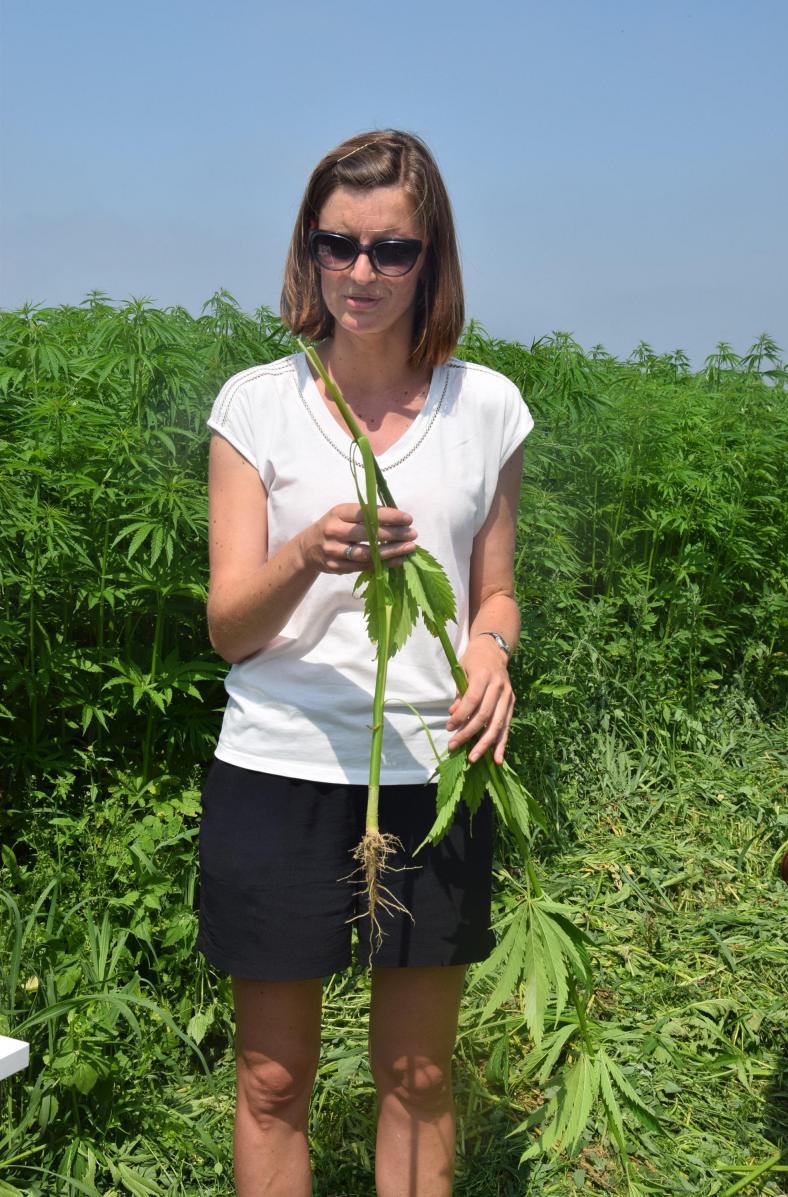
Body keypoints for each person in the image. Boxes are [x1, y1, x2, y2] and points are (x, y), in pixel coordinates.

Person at [196, 129, 534, 1197]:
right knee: (270, 1078)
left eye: (391, 251)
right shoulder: (256, 406)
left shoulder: (485, 407)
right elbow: (230, 629)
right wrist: (305, 554)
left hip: (432, 772)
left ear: (430, 259)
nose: (361, 273)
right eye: (336, 243)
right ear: (308, 248)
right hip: (277, 767)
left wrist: (489, 652)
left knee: (418, 1073)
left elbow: (495, 591)